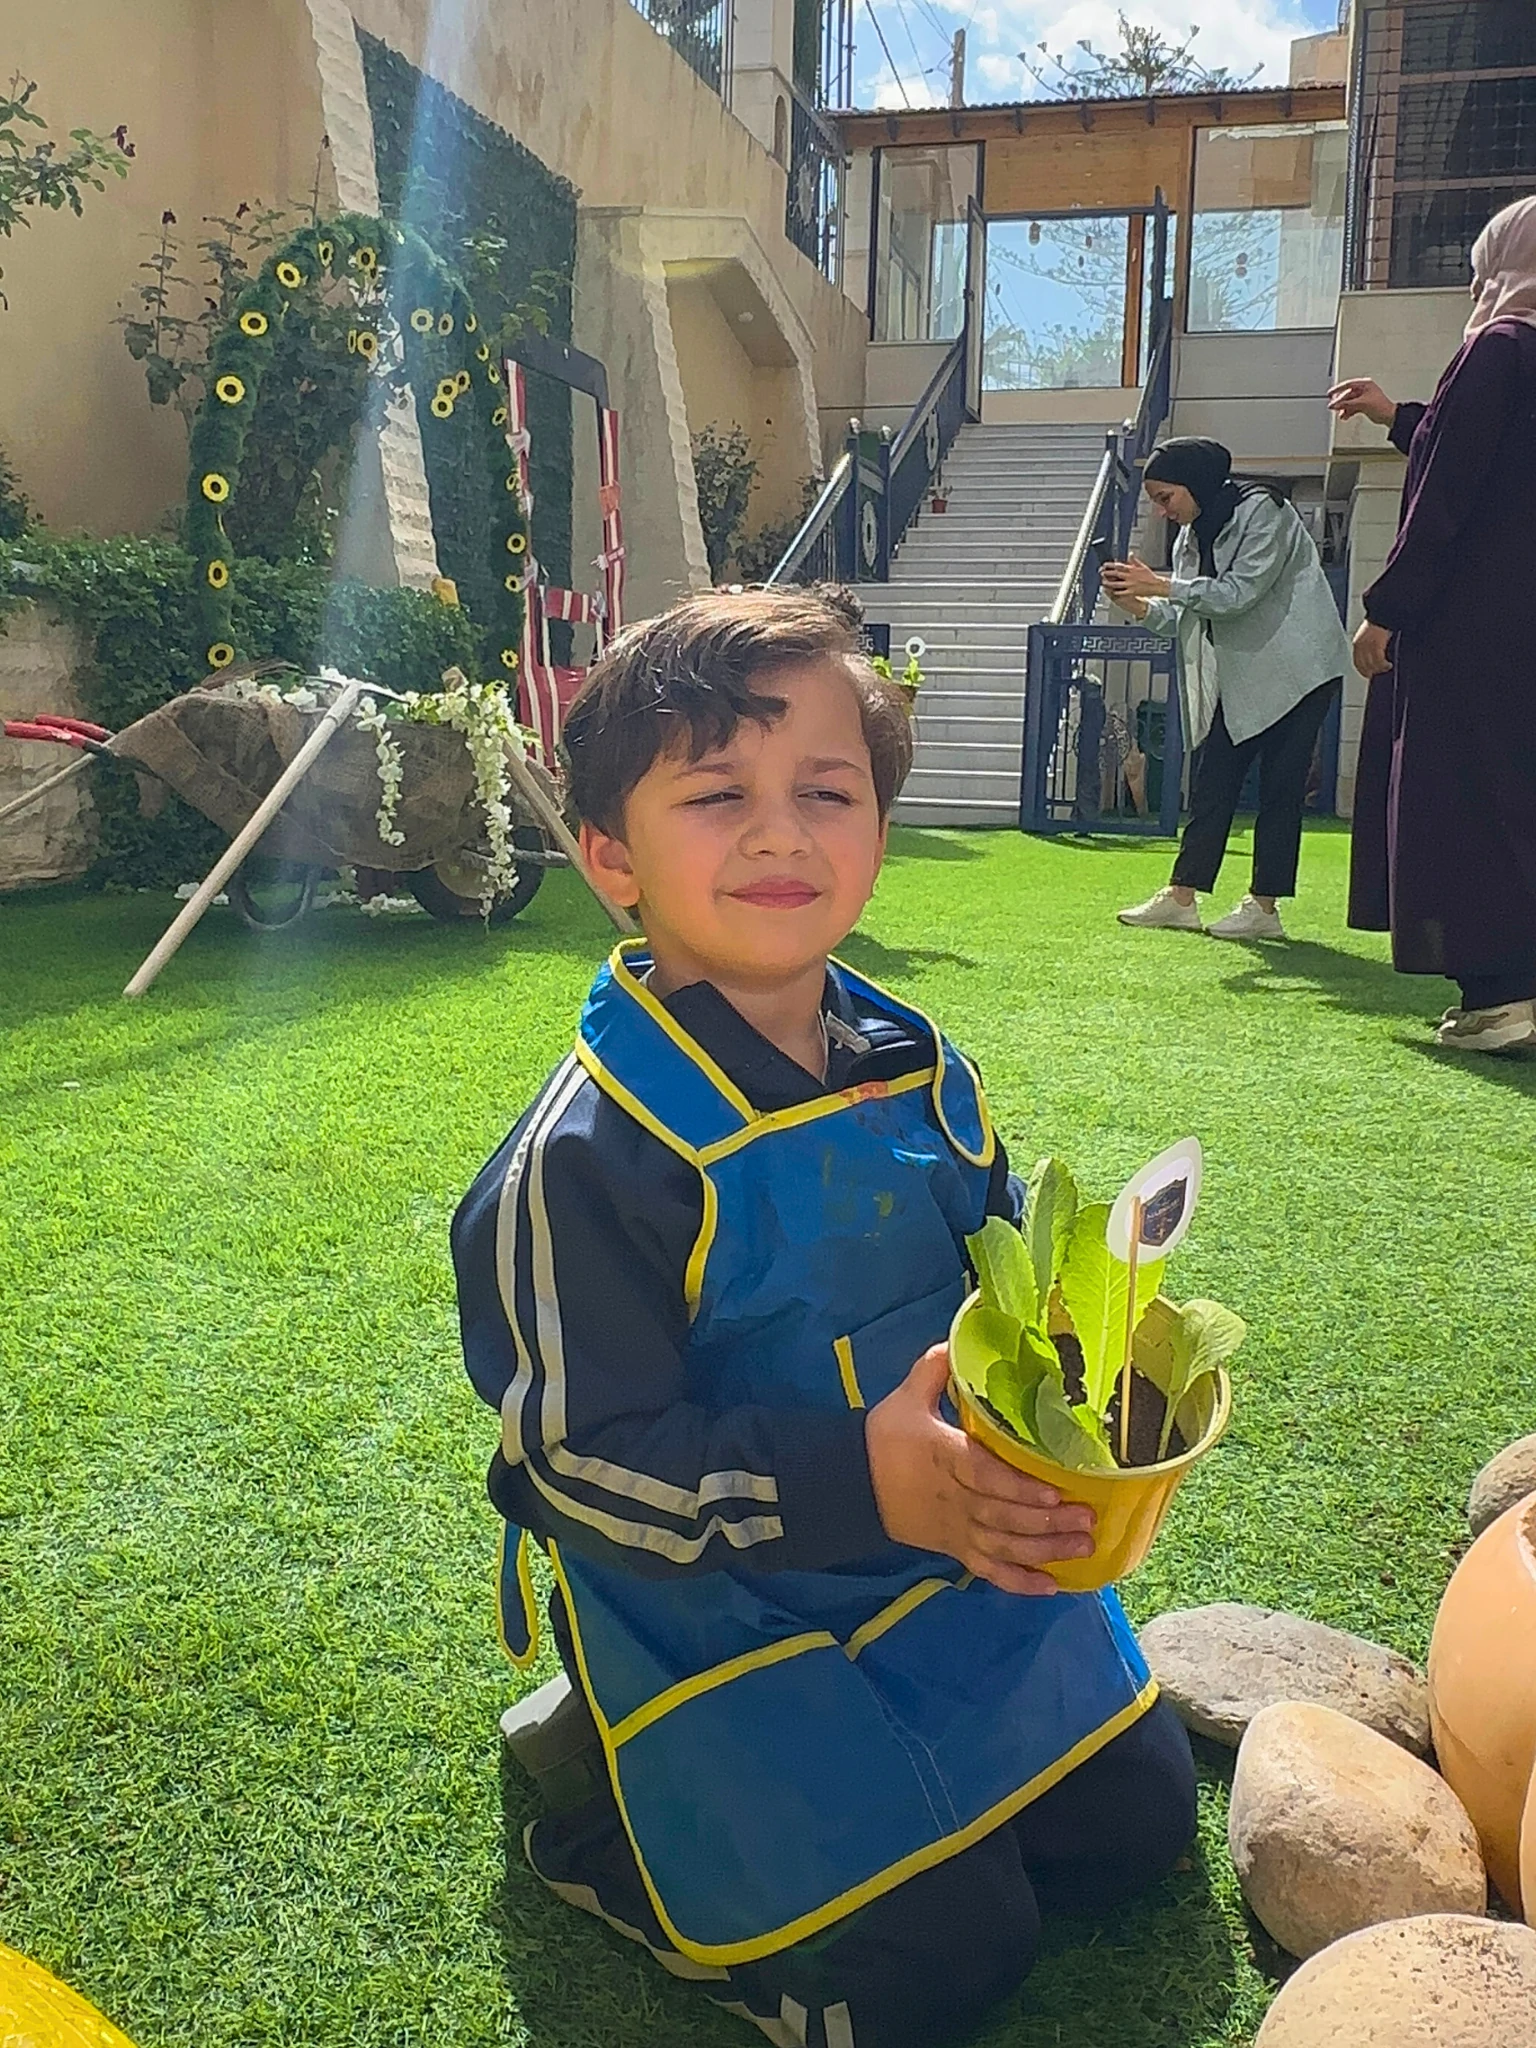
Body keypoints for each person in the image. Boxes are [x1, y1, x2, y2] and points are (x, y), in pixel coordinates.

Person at [451, 588, 1195, 2048]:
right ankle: (607, 1819)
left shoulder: (920, 1063)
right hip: (716, 1604)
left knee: (1135, 1830)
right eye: (717, 794)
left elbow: (997, 1301)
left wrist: (1076, 1401)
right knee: (940, 1973)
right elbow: (574, 1465)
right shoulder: (590, 1160)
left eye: (827, 791)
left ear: (879, 827)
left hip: (936, 1556)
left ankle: (819, 1789)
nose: (781, 834)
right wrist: (860, 1478)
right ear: (611, 856)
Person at [1330, 195, 1536, 1054]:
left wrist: (1387, 610)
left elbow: (1450, 488)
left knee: (1463, 799)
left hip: (1473, 632)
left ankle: (1500, 996)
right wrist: (1397, 417)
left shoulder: (1498, 347)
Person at [1102, 438, 1350, 941]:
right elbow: (1187, 615)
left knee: (1281, 788)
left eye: (1166, 497)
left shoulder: (1267, 511)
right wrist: (1141, 607)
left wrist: (1161, 586)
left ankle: (1264, 907)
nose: (1162, 510)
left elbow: (1240, 594)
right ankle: (1182, 897)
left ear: (1195, 484)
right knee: (1214, 778)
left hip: (1302, 669)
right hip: (1245, 675)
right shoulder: (1188, 539)